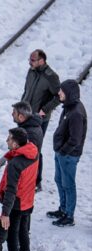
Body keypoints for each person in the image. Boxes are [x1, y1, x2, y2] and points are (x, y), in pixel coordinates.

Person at [0, 128, 38, 251]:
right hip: (28, 200)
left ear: (15, 143)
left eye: (9, 139)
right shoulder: (33, 154)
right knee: (23, 232)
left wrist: (5, 213)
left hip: (16, 204)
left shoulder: (16, 163)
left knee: (12, 235)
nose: (6, 141)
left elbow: (11, 190)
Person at [49, 79, 87, 227]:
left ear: (69, 93)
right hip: (61, 153)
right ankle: (63, 208)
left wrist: (63, 151)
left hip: (68, 156)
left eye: (61, 91)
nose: (59, 93)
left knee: (68, 184)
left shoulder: (76, 112)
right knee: (59, 180)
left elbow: (75, 139)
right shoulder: (69, 107)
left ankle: (69, 216)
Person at [21, 49, 61, 135]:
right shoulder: (31, 71)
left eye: (32, 60)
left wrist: (44, 110)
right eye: (29, 59)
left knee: (33, 147)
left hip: (38, 120)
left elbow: (60, 97)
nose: (29, 62)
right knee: (19, 145)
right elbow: (26, 91)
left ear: (41, 61)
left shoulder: (51, 77)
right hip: (25, 117)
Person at [12, 101, 44, 190]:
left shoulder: (29, 133)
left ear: (21, 117)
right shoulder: (30, 126)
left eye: (14, 112)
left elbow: (27, 158)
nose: (12, 114)